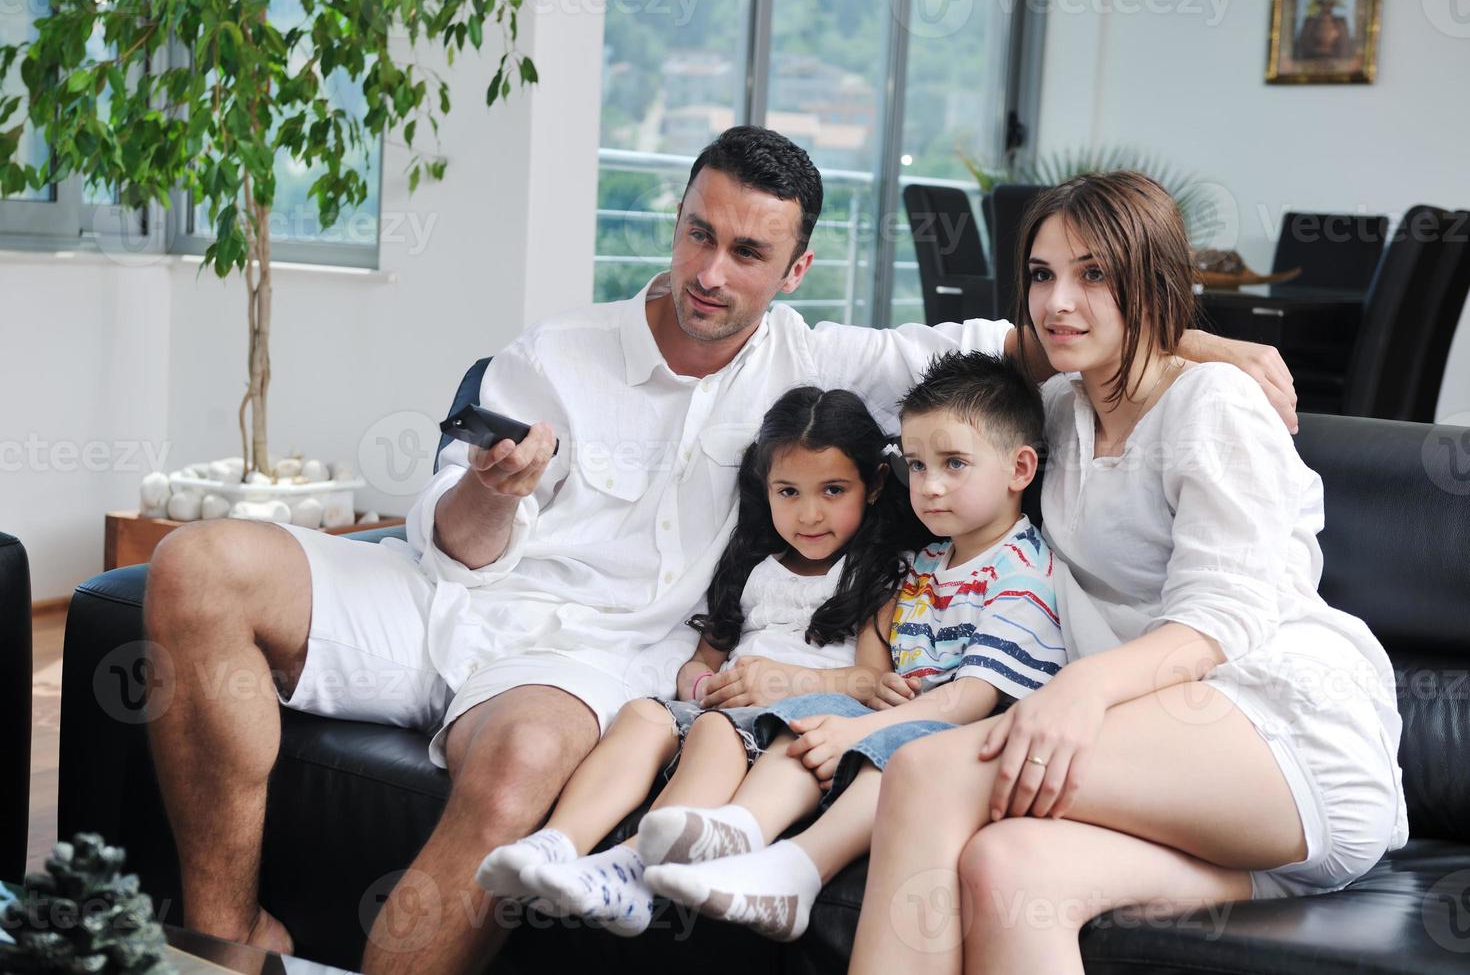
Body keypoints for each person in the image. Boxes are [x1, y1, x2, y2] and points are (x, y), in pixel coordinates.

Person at [141, 125, 1299, 975]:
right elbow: (447, 537)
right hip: (443, 589)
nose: (711, 271)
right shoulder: (554, 348)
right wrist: (494, 497)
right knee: (199, 564)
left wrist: (1193, 335)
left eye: (749, 252)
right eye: (700, 232)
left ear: (793, 272)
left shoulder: (823, 359)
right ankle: (226, 935)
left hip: (585, 657)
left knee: (519, 760)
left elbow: (1025, 336)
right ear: (678, 218)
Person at [847, 171, 1408, 974]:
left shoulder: (1214, 404)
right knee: (1008, 870)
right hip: (1181, 775)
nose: (1058, 301)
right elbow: (939, 390)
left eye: (1094, 273)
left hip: (1282, 732)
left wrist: (1082, 689)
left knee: (931, 771)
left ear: (1152, 283)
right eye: (1042, 275)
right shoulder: (1063, 414)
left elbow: (1225, 617)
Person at [633, 351, 1066, 942]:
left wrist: (857, 729)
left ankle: (797, 869)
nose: (930, 486)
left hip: (972, 740)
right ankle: (734, 830)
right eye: (917, 465)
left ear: (1020, 469)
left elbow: (970, 699)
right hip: (899, 720)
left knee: (898, 756)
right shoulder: (923, 561)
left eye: (954, 464)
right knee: (803, 724)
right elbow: (871, 667)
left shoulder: (1025, 571)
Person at [474, 384, 925, 935]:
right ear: (766, 488)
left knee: (713, 731)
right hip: (727, 713)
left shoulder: (872, 573)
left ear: (874, 484)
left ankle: (632, 871)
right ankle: (556, 844)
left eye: (833, 490)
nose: (809, 514)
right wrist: (700, 683)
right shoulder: (754, 567)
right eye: (788, 492)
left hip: (799, 723)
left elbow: (871, 679)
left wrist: (782, 682)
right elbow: (704, 657)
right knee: (642, 713)